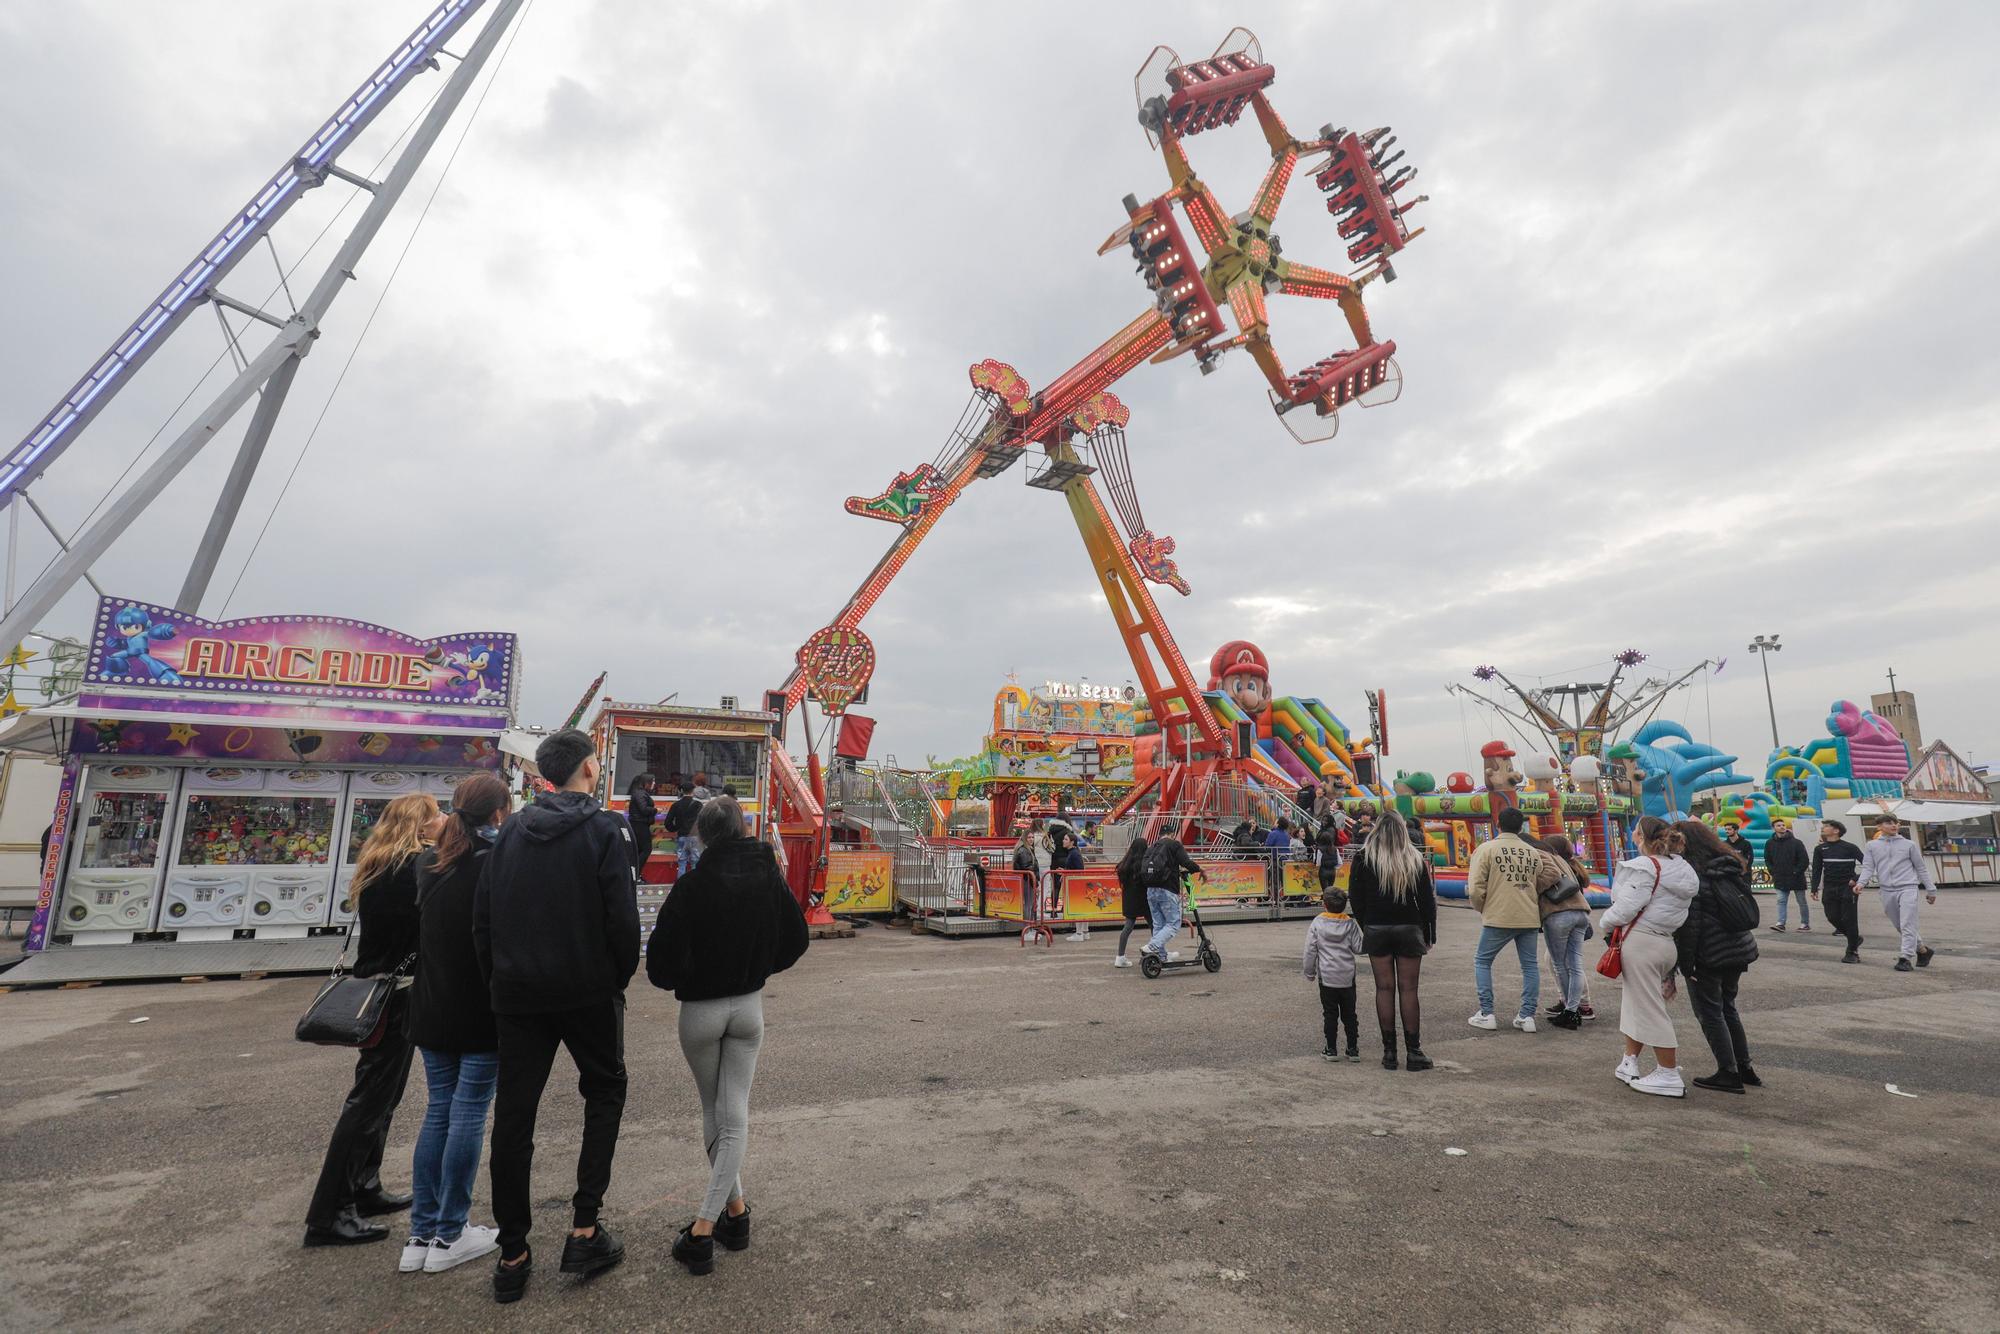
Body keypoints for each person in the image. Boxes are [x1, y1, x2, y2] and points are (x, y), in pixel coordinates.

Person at [474, 729, 640, 1304]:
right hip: (588, 990)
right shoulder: (603, 831)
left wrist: (498, 977)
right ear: (590, 770)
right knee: (604, 1093)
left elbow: (484, 915)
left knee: (514, 1117)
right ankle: (584, 1227)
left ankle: (513, 1254)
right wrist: (616, 977)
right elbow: (622, 918)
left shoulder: (512, 830)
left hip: (518, 994)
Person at [646, 796, 810, 1276]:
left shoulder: (691, 887)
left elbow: (659, 963)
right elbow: (796, 939)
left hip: (699, 1010)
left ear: (703, 834)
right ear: (742, 828)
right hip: (749, 1008)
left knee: (716, 1113)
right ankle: (734, 1215)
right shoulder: (769, 879)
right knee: (731, 1111)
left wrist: (687, 977)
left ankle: (702, 1229)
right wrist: (759, 967)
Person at [304, 793, 436, 1248]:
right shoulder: (413, 868)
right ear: (420, 824)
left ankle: (365, 1186)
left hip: (377, 986)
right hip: (395, 995)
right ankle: (330, 1211)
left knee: (381, 1097)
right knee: (370, 1101)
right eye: (435, 817)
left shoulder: (377, 863)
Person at [403, 774, 511, 1274]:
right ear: (497, 814)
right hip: (477, 1009)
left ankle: (421, 1234)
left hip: (431, 1005)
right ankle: (451, 1233)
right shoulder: (494, 865)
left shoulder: (429, 863)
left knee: (437, 1112)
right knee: (468, 1113)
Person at [1599, 815, 1700, 1098]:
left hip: (1641, 942)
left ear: (1642, 836)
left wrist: (1604, 924)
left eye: (1635, 831)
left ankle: (1667, 1073)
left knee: (1648, 1008)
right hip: (1666, 941)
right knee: (1637, 1003)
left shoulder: (1644, 866)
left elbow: (1625, 907)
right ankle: (1629, 1061)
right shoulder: (1681, 868)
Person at [1673, 820, 1762, 1094]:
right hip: (1736, 948)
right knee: (1727, 1008)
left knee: (1710, 1012)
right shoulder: (1727, 866)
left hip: (1709, 953)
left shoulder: (1694, 875)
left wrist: (1687, 965)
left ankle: (1728, 1071)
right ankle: (1744, 1067)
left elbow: (1692, 926)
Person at [1346, 814, 1437, 1070]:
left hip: (1376, 927)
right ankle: (1414, 1052)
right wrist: (1430, 933)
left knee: (1383, 990)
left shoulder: (1363, 858)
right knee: (1409, 990)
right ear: (1402, 831)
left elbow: (1356, 897)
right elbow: (1427, 901)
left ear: (1375, 831)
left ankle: (1389, 1053)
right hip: (1409, 926)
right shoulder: (1413, 858)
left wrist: (1366, 925)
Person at [1464, 807, 1562, 1034]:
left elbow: (1476, 887)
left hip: (1498, 914)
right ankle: (1526, 1015)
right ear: (1521, 827)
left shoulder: (1486, 849)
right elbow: (1538, 879)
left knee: (1482, 961)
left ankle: (1487, 1012)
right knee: (1529, 966)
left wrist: (1482, 908)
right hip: (1528, 915)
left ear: (1498, 825)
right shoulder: (1531, 852)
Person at [1857, 814, 1938, 972]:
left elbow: (1921, 868)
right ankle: (1923, 951)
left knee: (1908, 923)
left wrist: (1931, 889)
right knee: (1899, 925)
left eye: (1896, 823)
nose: (1894, 825)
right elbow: (1868, 867)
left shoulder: (1909, 845)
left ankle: (1905, 958)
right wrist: (1861, 883)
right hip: (1886, 889)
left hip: (1908, 887)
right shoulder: (1872, 846)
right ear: (1879, 826)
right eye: (1889, 823)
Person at [1532, 833, 1594, 1031]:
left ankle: (1570, 1010)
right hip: (1581, 912)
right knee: (1575, 964)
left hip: (1558, 914)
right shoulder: (1566, 862)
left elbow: (1548, 879)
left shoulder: (1542, 859)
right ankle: (1574, 1009)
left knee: (1559, 964)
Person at [1303, 887, 1364, 1062]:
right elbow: (1359, 948)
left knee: (1330, 1014)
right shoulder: (1350, 924)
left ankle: (1331, 1049)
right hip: (1347, 977)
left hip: (1327, 978)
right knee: (1350, 1014)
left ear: (1324, 904)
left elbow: (1310, 950)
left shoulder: (1318, 923)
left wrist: (1309, 972)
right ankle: (1352, 1049)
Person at [1139, 832, 1204, 964]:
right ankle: (1152, 946)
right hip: (1167, 889)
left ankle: (1162, 956)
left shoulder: (1151, 847)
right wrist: (1199, 869)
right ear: (1172, 835)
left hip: (1150, 890)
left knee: (1158, 924)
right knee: (1173, 923)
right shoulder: (1173, 844)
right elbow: (1186, 862)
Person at [1811, 819, 1866, 963]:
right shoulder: (1820, 849)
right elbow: (1816, 870)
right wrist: (1814, 888)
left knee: (1849, 919)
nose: (1823, 828)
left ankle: (1852, 952)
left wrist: (1856, 879)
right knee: (1832, 917)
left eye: (1826, 826)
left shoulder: (1850, 847)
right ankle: (1854, 938)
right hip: (1829, 887)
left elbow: (1868, 865)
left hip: (1848, 888)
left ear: (1836, 831)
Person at [1765, 817, 1811, 933]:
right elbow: (1768, 859)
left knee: (1801, 901)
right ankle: (1781, 923)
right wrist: (1772, 871)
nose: (1782, 827)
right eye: (1778, 825)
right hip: (1780, 877)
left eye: (1783, 825)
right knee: (1781, 900)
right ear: (1774, 828)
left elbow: (1804, 860)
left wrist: (1796, 871)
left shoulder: (1796, 842)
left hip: (1796, 877)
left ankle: (1805, 924)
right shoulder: (1770, 843)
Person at [1112, 837, 1152, 969]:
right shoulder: (1144, 864)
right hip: (1144, 899)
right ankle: (1159, 951)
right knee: (1154, 926)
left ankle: (1120, 956)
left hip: (1129, 900)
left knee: (1127, 928)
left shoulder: (1125, 864)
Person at [664, 780, 703, 877]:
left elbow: (667, 823)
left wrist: (675, 828)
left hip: (681, 837)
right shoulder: (698, 805)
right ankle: (695, 887)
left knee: (682, 864)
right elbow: (703, 821)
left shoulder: (676, 805)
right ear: (693, 791)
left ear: (682, 791)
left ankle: (681, 888)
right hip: (695, 837)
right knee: (695, 864)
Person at [625, 774, 658, 876]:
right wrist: (656, 810)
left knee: (639, 850)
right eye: (652, 781)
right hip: (640, 825)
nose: (654, 784)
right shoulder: (640, 794)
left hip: (639, 824)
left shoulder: (640, 793)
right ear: (646, 782)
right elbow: (643, 809)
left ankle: (635, 874)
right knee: (646, 849)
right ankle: (636, 874)